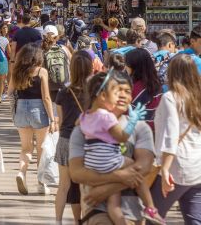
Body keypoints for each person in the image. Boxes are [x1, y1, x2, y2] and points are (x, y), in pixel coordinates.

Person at [69, 62, 159, 225]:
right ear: (104, 95)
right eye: (118, 91)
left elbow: (144, 167)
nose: (124, 96)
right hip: (95, 211)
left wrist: (105, 189)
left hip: (132, 214)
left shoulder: (140, 128)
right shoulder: (83, 129)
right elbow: (76, 173)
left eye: (128, 92)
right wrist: (120, 176)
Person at [151, 55, 201, 223]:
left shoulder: (170, 98)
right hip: (198, 167)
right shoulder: (198, 98)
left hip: (176, 167)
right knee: (195, 220)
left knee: (152, 215)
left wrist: (164, 169)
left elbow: (171, 134)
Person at [8, 43, 56, 195]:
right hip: (39, 110)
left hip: (21, 109)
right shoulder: (41, 72)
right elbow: (46, 97)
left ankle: (21, 173)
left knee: (26, 148)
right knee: (41, 148)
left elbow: (9, 92)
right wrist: (52, 118)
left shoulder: (17, 72)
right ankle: (41, 184)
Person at [54, 51, 92, 224]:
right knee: (84, 186)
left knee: (63, 186)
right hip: (85, 142)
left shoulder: (63, 92)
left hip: (65, 139)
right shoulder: (94, 92)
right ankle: (85, 220)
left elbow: (61, 121)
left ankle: (58, 221)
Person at [125, 48, 161, 130]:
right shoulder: (157, 84)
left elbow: (126, 115)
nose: (125, 67)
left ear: (134, 67)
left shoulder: (135, 89)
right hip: (155, 130)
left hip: (138, 133)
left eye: (126, 64)